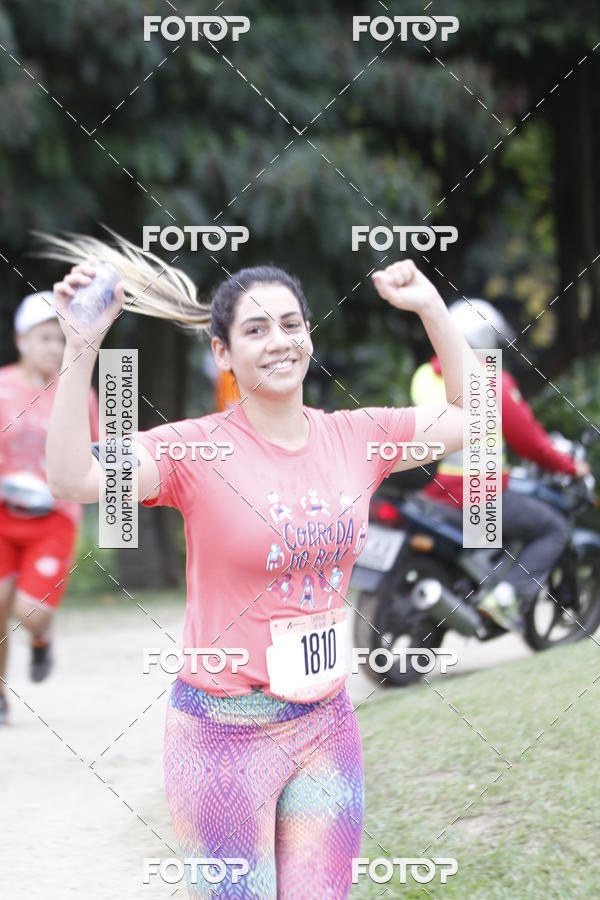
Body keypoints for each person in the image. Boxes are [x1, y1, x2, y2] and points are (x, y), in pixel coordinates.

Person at [46, 233, 473, 898]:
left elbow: (471, 418)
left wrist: (430, 308)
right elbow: (73, 476)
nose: (279, 341)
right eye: (255, 329)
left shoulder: (356, 437)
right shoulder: (197, 451)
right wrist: (81, 348)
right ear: (223, 351)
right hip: (221, 736)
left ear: (309, 337)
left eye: (291, 324)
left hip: (326, 722)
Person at [410, 297, 590, 632]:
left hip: (432, 495)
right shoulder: (491, 382)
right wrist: (570, 467)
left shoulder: (423, 376)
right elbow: (531, 442)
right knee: (552, 527)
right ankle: (504, 598)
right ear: (484, 340)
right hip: (477, 497)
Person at [0, 292, 99, 725]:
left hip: (53, 518)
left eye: (60, 339)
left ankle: (41, 639)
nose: (54, 348)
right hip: (4, 512)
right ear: (21, 339)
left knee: (29, 611)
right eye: (44, 338)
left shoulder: (78, 393)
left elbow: (97, 451)